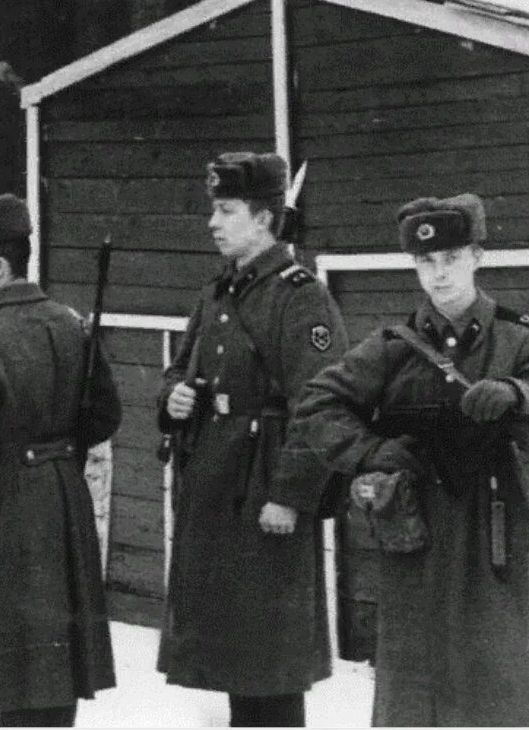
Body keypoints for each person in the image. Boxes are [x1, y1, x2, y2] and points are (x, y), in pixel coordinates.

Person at [272, 193, 529, 726]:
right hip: (417, 530)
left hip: (495, 528)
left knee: (502, 673)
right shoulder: (392, 348)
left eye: (451, 258)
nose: (439, 274)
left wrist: (517, 396)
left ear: (478, 256)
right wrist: (372, 451)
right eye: (425, 261)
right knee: (418, 680)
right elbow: (317, 405)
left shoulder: (523, 339)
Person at [156, 152, 349, 727]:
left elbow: (322, 406)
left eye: (226, 210)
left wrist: (290, 496)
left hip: (265, 494)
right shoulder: (219, 293)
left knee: (271, 666)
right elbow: (179, 369)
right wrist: (174, 398)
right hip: (215, 492)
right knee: (237, 662)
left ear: (263, 219)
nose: (213, 223)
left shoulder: (299, 296)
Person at [0, 193, 122, 728]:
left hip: (3, 519)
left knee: (18, 676)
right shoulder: (70, 324)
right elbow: (105, 416)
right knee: (56, 673)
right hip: (64, 505)